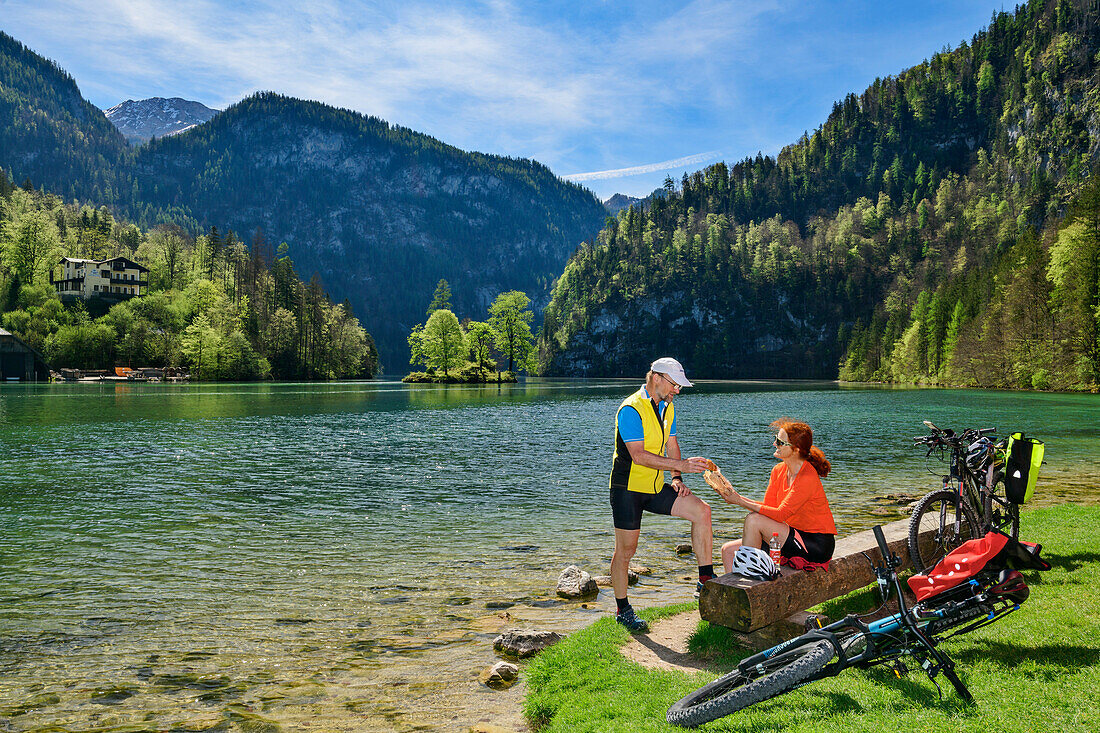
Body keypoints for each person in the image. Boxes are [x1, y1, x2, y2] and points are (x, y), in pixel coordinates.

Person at [610, 357, 714, 633]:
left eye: (680, 386)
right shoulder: (631, 409)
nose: (677, 390)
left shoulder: (669, 408)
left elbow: (672, 444)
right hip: (628, 489)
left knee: (702, 511)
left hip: (655, 488)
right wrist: (681, 466)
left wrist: (677, 478)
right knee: (626, 551)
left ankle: (705, 581)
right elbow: (639, 455)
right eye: (675, 384)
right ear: (656, 377)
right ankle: (623, 610)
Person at [719, 419, 836, 574]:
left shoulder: (807, 477)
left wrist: (739, 501)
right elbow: (769, 509)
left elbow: (781, 514)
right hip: (791, 535)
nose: (775, 444)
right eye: (776, 439)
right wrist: (735, 496)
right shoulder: (778, 470)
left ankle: (751, 579)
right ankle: (735, 594)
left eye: (780, 442)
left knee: (753, 520)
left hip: (815, 544)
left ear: (796, 449)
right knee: (727, 550)